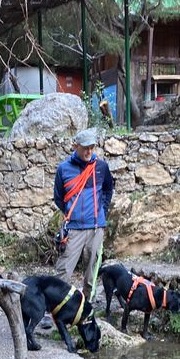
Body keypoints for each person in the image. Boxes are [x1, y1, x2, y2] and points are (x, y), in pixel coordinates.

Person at [53, 127, 114, 301]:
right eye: (85, 147)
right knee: (63, 270)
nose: (89, 151)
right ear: (75, 146)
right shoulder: (63, 169)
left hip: (95, 228)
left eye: (92, 147)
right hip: (73, 229)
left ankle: (87, 306)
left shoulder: (101, 167)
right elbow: (59, 197)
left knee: (91, 271)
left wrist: (102, 211)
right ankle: (55, 308)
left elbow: (108, 189)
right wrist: (71, 214)